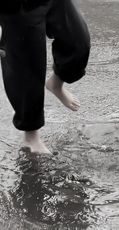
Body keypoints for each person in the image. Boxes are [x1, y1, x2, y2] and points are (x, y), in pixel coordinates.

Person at [0, 0, 90, 153]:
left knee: (79, 42)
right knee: (26, 68)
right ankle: (31, 137)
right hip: (17, 7)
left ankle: (56, 83)